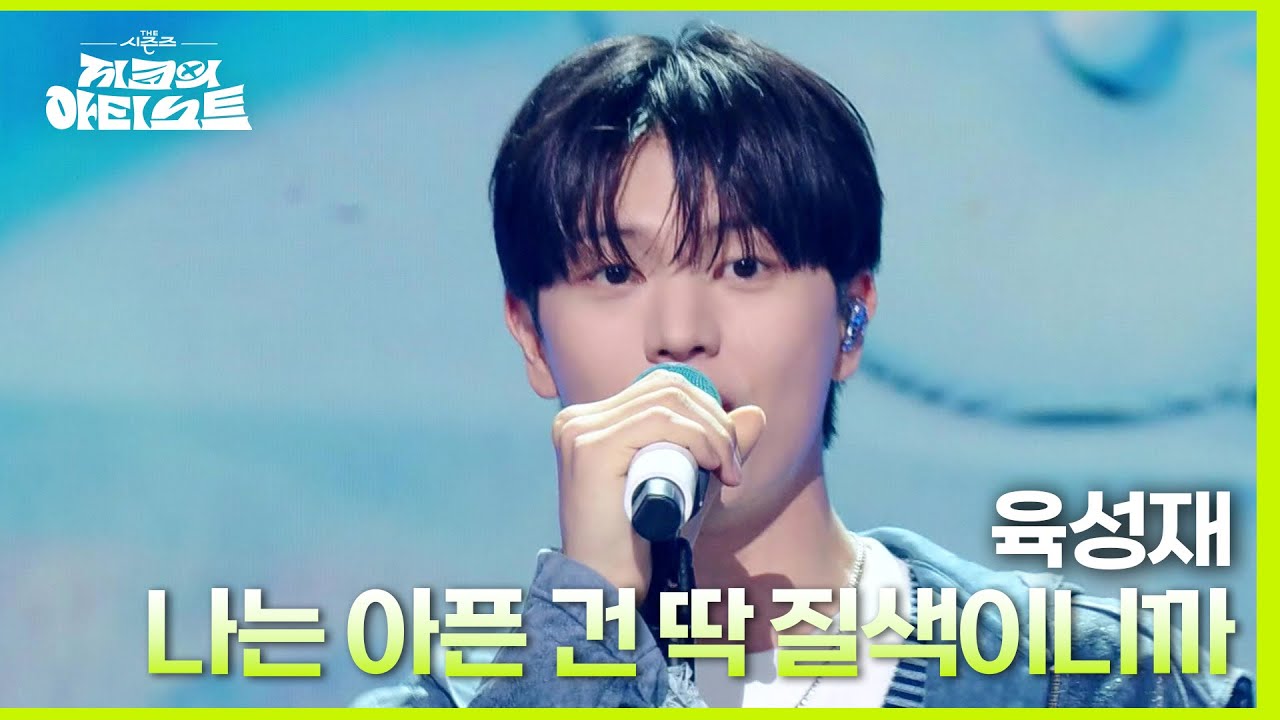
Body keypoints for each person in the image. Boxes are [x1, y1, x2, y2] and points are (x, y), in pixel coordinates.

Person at [354, 23, 1253, 708]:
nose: (679, 333)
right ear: (529, 336)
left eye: (745, 266)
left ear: (851, 320)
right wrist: (583, 636)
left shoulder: (1078, 676)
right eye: (616, 273)